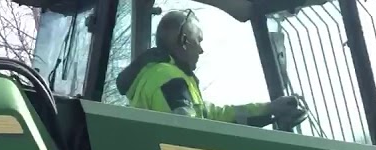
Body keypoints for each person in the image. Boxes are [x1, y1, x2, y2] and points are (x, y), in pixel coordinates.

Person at [115, 8, 306, 128]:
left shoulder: (170, 77)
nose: (201, 49)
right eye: (198, 41)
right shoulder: (168, 78)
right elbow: (189, 136)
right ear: (183, 41)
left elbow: (214, 116)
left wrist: (270, 109)